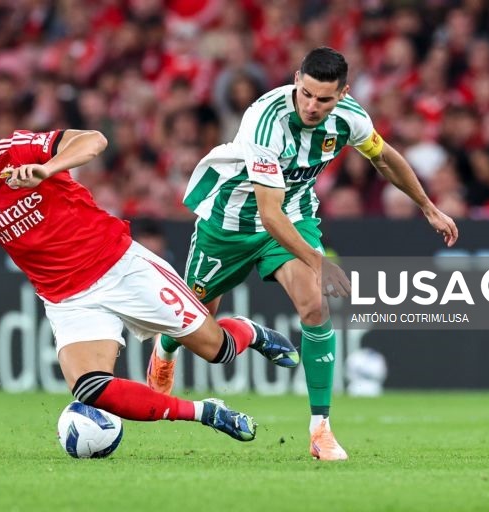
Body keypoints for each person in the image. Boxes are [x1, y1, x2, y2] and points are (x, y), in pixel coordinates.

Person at [0, 120, 301, 443]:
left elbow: (94, 140)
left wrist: (48, 170)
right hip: (67, 299)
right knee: (90, 387)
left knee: (217, 350)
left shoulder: (22, 150)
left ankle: (250, 332)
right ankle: (206, 413)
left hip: (120, 266)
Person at [147, 47, 459, 460]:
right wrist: (319, 261)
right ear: (297, 79)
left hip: (294, 214)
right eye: (307, 94)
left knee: (315, 305)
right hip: (231, 221)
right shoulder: (265, 121)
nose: (313, 106)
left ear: (342, 93)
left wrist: (427, 205)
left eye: (324, 99)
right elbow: (267, 213)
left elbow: (383, 156)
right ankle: (164, 350)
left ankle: (321, 430)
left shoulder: (351, 117)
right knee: (197, 326)